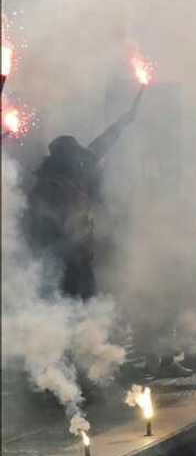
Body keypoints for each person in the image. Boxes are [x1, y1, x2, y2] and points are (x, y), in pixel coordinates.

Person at [24, 89, 143, 300]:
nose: (79, 159)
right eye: (74, 155)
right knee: (66, 301)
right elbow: (42, 225)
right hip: (61, 259)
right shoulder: (48, 186)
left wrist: (124, 121)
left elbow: (102, 144)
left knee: (87, 299)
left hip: (82, 253)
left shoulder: (77, 171)